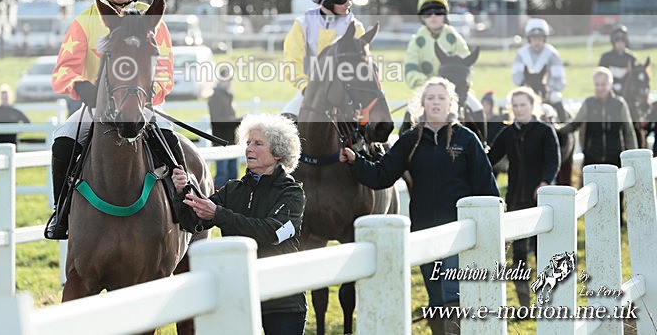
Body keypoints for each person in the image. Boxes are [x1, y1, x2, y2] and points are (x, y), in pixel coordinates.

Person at [339, 77, 498, 334]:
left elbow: (486, 185)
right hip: (424, 233)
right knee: (436, 298)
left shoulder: (467, 139)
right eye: (431, 97)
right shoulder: (411, 140)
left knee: (451, 294)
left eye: (441, 98)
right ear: (422, 103)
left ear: (451, 104)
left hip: (460, 232)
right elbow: (382, 175)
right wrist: (356, 161)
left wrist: (496, 226)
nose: (436, 102)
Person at [45, 0, 175, 240]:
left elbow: (166, 68)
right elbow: (63, 70)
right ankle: (61, 212)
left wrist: (148, 98)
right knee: (63, 141)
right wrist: (82, 88)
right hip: (96, 107)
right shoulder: (83, 21)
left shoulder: (152, 21)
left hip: (142, 104)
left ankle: (184, 207)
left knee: (170, 140)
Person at [172, 113, 307, 334]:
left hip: (284, 302)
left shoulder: (292, 194)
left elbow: (273, 232)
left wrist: (219, 214)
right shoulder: (232, 190)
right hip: (239, 297)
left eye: (258, 143)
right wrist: (182, 193)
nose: (249, 148)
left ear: (278, 152)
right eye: (248, 142)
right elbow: (192, 223)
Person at [488, 87, 560, 306]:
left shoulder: (544, 131)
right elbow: (490, 159)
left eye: (523, 105)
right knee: (519, 254)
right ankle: (524, 304)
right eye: (515, 105)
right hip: (516, 199)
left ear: (532, 106)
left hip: (540, 200)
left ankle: (547, 299)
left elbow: (553, 161)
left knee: (542, 251)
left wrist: (545, 182)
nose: (519, 109)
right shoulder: (508, 133)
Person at [281, 0, 363, 119]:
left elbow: (361, 65)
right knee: (284, 121)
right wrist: (305, 88)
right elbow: (291, 63)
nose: (349, 2)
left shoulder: (356, 28)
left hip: (346, 94)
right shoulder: (302, 24)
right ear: (327, 0)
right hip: (310, 93)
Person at [558, 67, 636, 169]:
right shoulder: (588, 103)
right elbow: (574, 124)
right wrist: (557, 129)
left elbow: (628, 132)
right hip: (592, 159)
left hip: (615, 159)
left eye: (603, 84)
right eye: (597, 84)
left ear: (610, 84)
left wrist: (634, 156)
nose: (599, 88)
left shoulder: (620, 104)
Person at [511, 17, 568, 121]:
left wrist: (549, 90)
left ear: (544, 38)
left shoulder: (552, 54)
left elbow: (559, 78)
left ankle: (562, 125)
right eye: (534, 38)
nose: (537, 41)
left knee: (557, 98)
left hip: (548, 91)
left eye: (540, 38)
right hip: (527, 90)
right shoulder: (521, 54)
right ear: (529, 39)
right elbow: (516, 76)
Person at [207, 65, 241, 189]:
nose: (230, 81)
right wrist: (238, 120)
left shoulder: (228, 96)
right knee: (222, 176)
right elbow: (218, 121)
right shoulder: (215, 97)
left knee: (233, 175)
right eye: (228, 78)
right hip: (220, 141)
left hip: (231, 140)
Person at [598, 24, 637, 95]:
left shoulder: (631, 57)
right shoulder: (606, 57)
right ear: (613, 41)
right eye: (617, 40)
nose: (620, 43)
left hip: (627, 91)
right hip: (608, 91)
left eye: (623, 40)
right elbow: (600, 76)